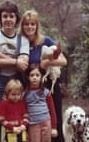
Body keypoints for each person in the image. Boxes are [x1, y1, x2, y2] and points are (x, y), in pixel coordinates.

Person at [0, 0, 30, 142]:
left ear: (16, 19)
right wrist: (15, 61)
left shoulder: (23, 40)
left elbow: (23, 66)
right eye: (5, 16)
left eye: (11, 16)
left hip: (16, 86)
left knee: (20, 123)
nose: (8, 19)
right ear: (0, 18)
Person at [19, 10, 67, 142]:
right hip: (30, 88)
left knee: (54, 118)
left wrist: (47, 62)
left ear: (37, 25)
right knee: (31, 121)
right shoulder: (20, 43)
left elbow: (63, 61)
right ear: (22, 26)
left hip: (48, 86)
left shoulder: (45, 41)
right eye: (26, 24)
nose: (29, 27)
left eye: (32, 24)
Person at [24, 63, 58, 142]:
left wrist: (54, 127)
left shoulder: (46, 92)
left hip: (46, 122)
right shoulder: (25, 94)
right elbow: (23, 112)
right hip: (33, 124)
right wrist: (25, 129)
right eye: (32, 75)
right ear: (27, 77)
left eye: (37, 75)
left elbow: (52, 110)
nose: (34, 78)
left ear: (41, 77)